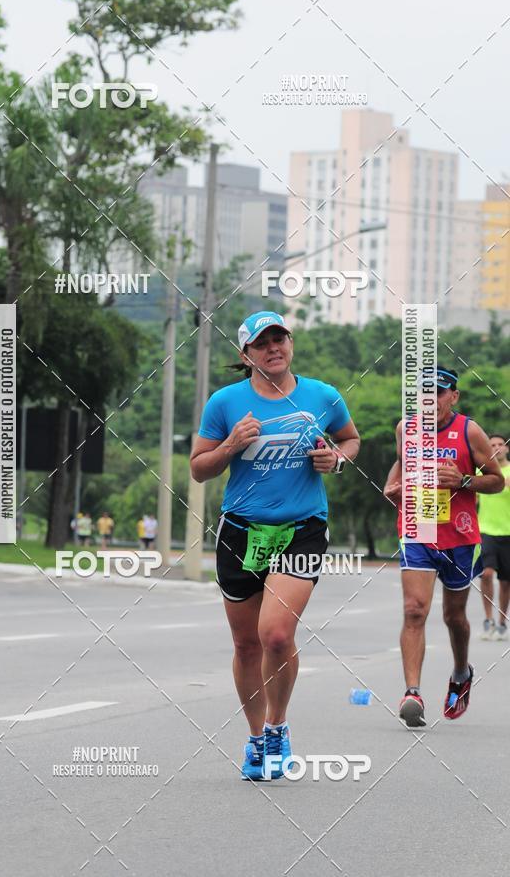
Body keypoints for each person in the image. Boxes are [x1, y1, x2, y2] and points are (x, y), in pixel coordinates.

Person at [190, 311, 360, 781]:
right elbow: (199, 468)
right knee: (246, 645)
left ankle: (277, 727)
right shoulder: (225, 404)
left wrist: (336, 460)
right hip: (241, 531)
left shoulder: (322, 396)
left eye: (279, 338)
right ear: (246, 355)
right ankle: (255, 738)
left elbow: (350, 439)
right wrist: (230, 445)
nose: (273, 348)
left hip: (302, 527)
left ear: (290, 343)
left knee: (276, 635)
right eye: (262, 343)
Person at [384, 367, 505, 728]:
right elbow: (401, 468)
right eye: (423, 393)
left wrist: (465, 480)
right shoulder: (405, 429)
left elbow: (497, 481)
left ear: (454, 396)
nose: (430, 400)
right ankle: (412, 693)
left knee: (454, 617)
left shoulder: (470, 431)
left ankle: (460, 671)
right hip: (417, 529)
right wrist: (392, 487)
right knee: (414, 609)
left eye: (438, 392)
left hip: (459, 535)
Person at [477, 434, 510, 640]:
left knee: (506, 582)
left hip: (508, 533)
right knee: (487, 574)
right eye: (492, 445)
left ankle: (501, 621)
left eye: (500, 445)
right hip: (485, 530)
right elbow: (472, 498)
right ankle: (488, 619)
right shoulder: (482, 472)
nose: (497, 447)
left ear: (506, 449)